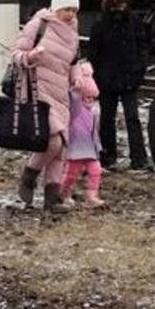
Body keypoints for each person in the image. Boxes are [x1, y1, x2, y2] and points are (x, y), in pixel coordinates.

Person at [13, 0, 81, 213]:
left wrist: (77, 78)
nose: (70, 14)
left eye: (73, 10)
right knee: (52, 140)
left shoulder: (73, 32)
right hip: (37, 89)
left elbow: (72, 61)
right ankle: (29, 175)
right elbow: (16, 53)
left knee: (61, 145)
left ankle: (52, 197)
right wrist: (30, 57)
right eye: (66, 9)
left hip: (61, 93)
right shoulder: (39, 24)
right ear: (55, 8)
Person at [85, 0, 150, 170]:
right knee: (112, 118)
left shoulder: (107, 23)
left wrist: (139, 69)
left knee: (127, 118)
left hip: (122, 78)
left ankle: (130, 157)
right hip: (112, 79)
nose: (119, 10)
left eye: (121, 5)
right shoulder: (106, 24)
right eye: (117, 6)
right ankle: (113, 155)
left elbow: (142, 47)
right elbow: (93, 54)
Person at [61, 62, 105, 208]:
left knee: (96, 170)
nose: (90, 101)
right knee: (71, 174)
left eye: (93, 98)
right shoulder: (76, 109)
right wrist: (76, 86)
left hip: (90, 149)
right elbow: (72, 97)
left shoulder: (94, 113)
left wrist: (97, 147)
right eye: (87, 97)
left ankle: (91, 195)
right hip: (76, 148)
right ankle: (63, 192)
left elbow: (94, 132)